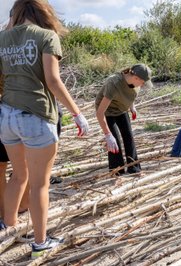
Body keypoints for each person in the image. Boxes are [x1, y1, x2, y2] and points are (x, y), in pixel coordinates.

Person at [0, 0, 89, 258]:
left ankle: (9, 225)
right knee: (40, 185)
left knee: (18, 176)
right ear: (43, 11)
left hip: (7, 117)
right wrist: (77, 113)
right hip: (36, 116)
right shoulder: (47, 36)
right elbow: (52, 80)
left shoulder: (2, 38)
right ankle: (40, 243)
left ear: (17, 12)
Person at [95, 64, 151, 175]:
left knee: (129, 137)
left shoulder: (135, 82)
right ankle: (117, 172)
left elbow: (130, 93)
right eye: (143, 82)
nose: (143, 85)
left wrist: (131, 106)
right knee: (114, 141)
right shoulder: (114, 83)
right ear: (136, 78)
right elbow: (100, 112)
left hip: (121, 109)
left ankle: (134, 168)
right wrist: (108, 135)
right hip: (108, 111)